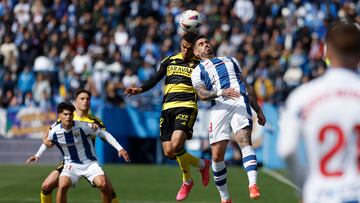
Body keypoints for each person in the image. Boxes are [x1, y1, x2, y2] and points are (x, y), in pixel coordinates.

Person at [277, 22, 360, 203]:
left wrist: (305, 186)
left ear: (327, 52)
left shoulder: (303, 96)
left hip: (321, 194)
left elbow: (287, 149)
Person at [124, 32, 211, 201]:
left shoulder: (200, 64)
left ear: (194, 49)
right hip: (167, 109)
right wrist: (140, 89)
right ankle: (202, 164)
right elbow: (155, 78)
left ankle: (187, 180)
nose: (185, 50)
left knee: (177, 143)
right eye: (183, 47)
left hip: (186, 107)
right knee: (169, 151)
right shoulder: (170, 60)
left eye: (188, 48)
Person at [191, 35, 266, 203]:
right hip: (219, 107)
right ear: (196, 52)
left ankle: (253, 185)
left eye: (206, 42)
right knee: (217, 156)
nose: (206, 45)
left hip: (239, 100)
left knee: (245, 141)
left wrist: (258, 110)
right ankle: (225, 198)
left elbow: (245, 85)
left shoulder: (230, 60)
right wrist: (220, 92)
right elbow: (202, 94)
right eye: (201, 44)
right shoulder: (197, 71)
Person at [26, 89, 121, 203]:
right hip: (70, 161)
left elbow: (104, 135)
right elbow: (49, 133)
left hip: (89, 161)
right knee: (46, 186)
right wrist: (44, 143)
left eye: (88, 99)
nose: (85, 101)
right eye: (82, 98)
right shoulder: (68, 116)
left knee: (109, 190)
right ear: (76, 102)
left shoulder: (95, 122)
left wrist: (118, 147)